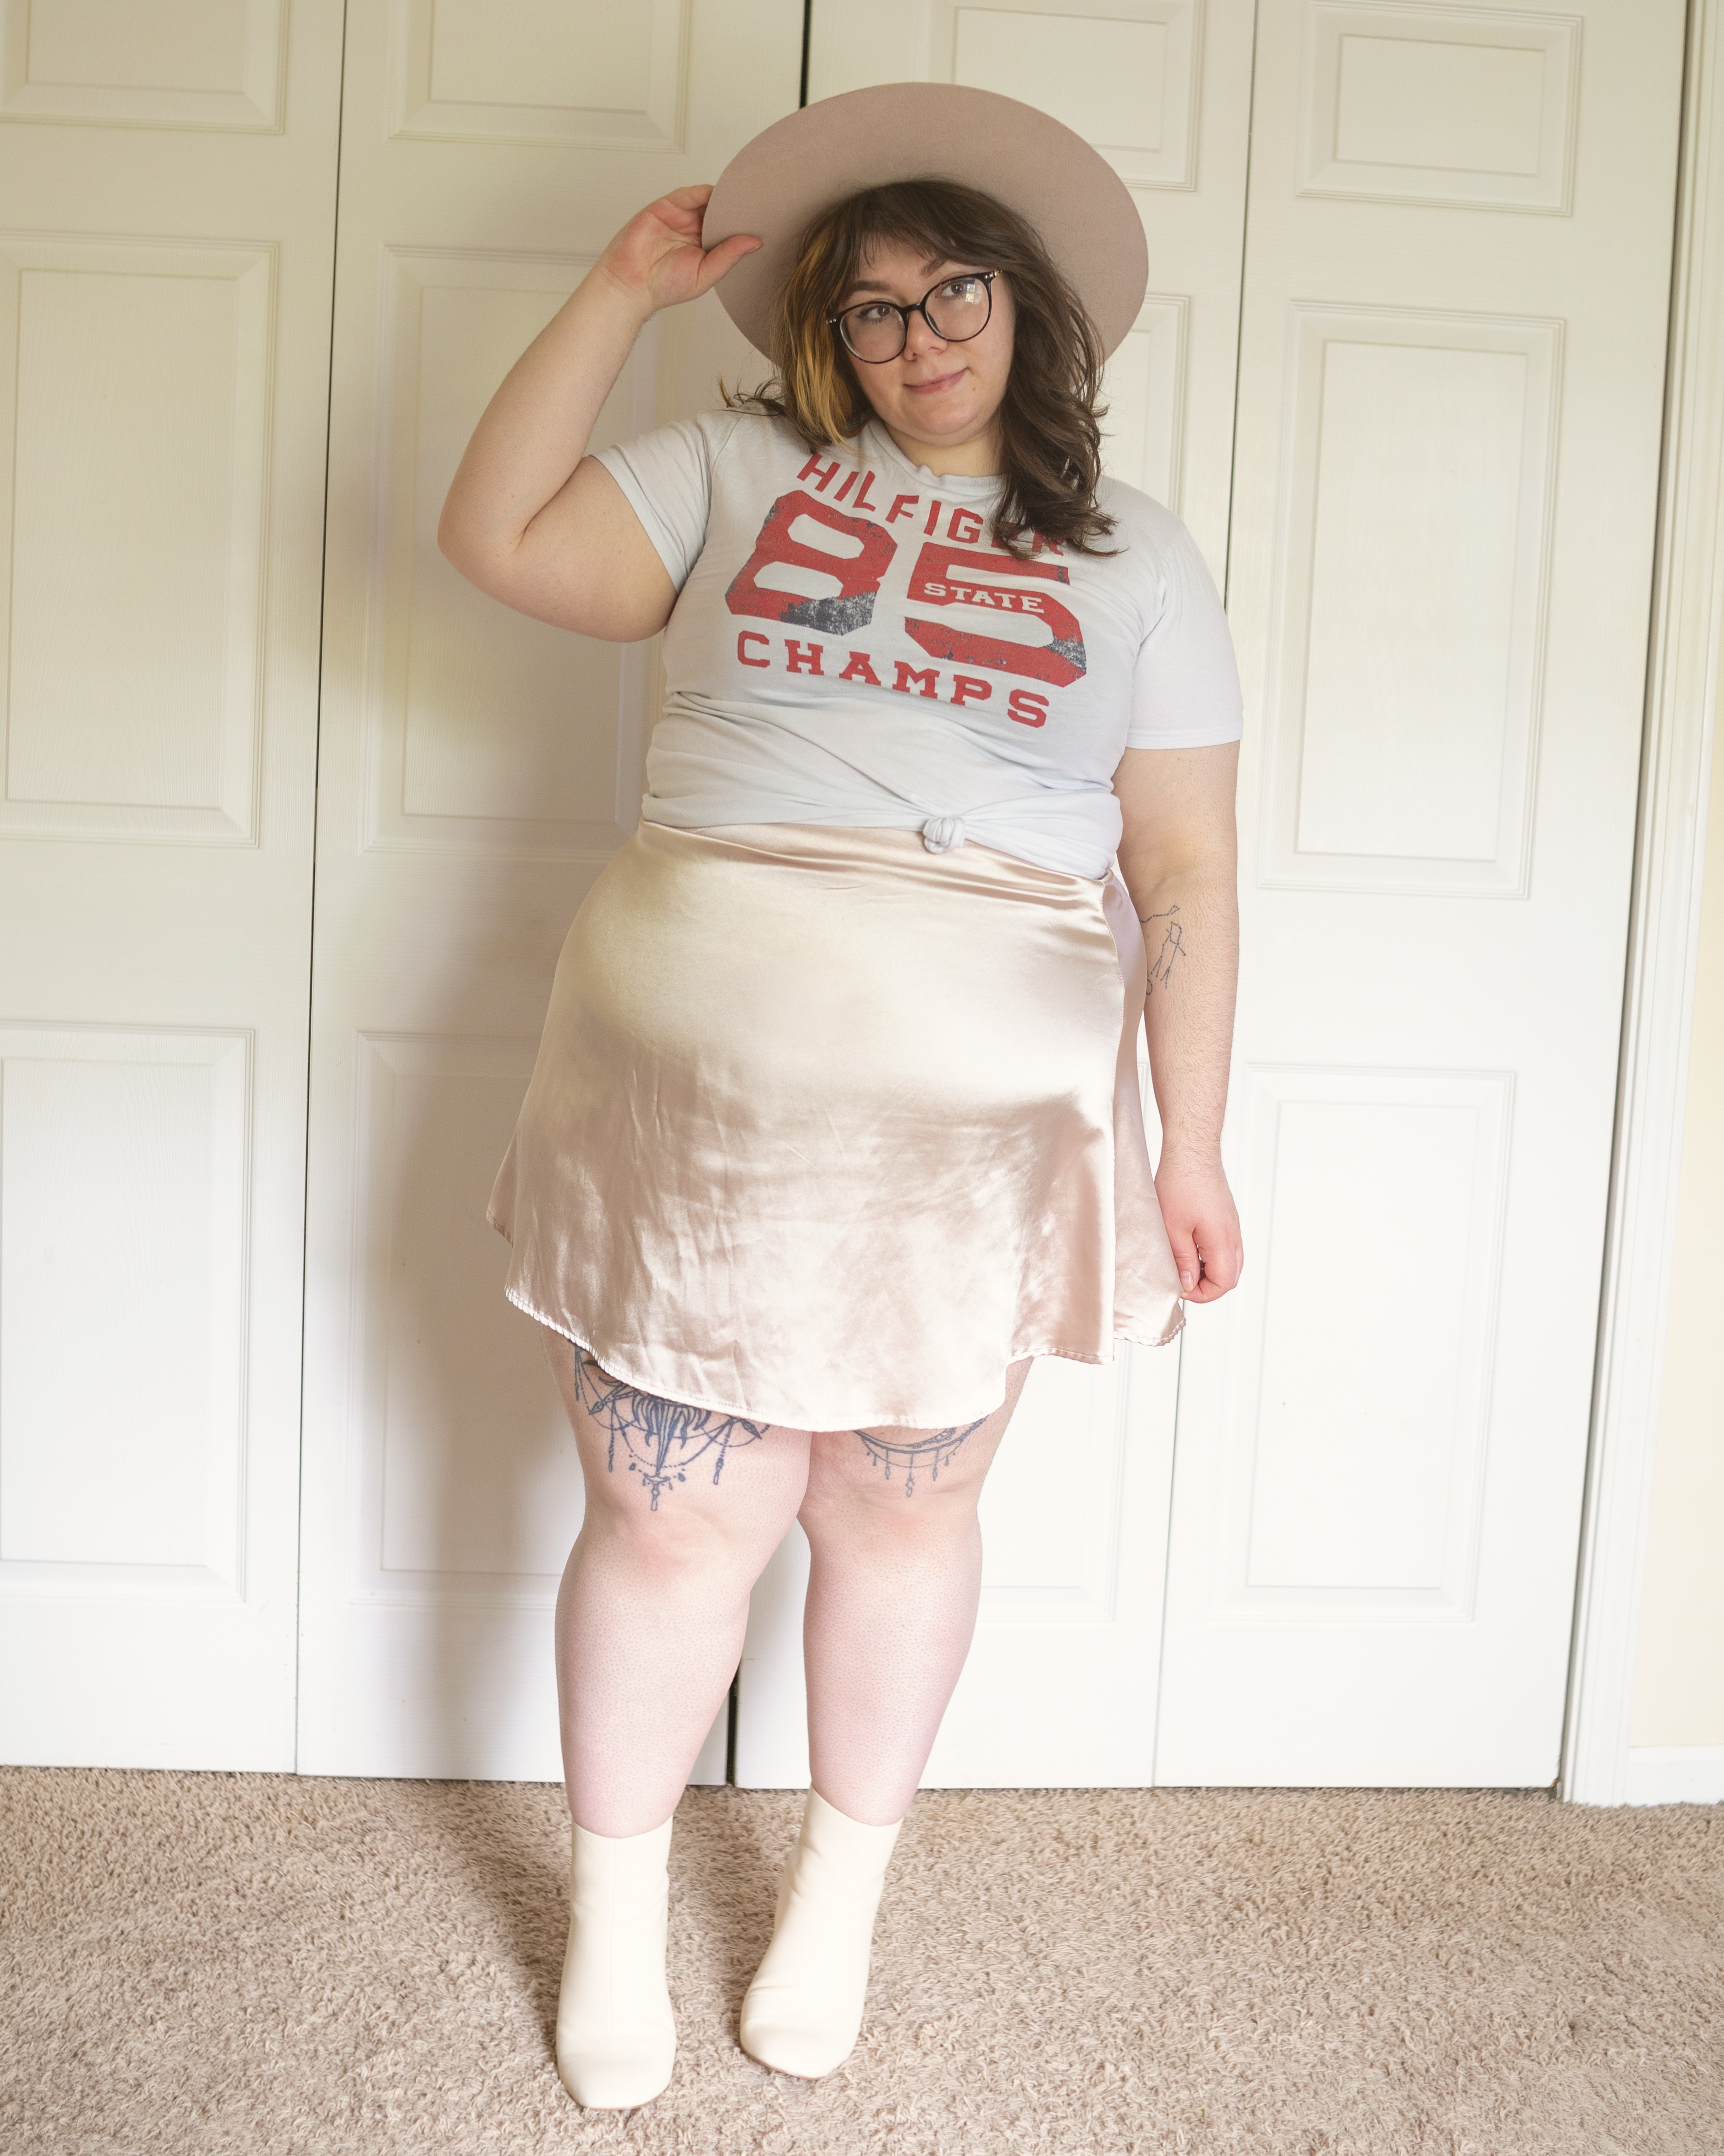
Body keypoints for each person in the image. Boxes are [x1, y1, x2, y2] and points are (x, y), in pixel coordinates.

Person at [438, 83, 1244, 2111]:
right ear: (830, 336)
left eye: (955, 287)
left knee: (899, 1510)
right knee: (676, 1507)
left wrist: (1197, 1140)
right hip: (692, 1089)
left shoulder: (1138, 558)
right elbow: (495, 539)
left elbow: (1190, 875)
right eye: (872, 307)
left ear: (1028, 306)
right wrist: (621, 293)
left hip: (980, 1133)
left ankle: (838, 1904)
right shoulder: (730, 467)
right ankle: (616, 1927)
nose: (918, 336)